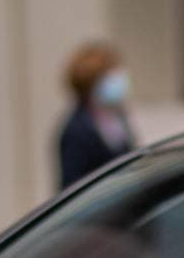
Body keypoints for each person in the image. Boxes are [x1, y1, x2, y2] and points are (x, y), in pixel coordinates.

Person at [56, 42, 134, 188]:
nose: (119, 79)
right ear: (93, 82)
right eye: (111, 74)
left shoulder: (118, 118)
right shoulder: (76, 129)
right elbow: (72, 184)